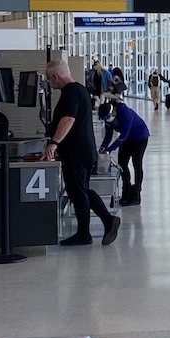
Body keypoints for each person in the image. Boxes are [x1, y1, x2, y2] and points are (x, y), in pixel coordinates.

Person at [41, 59, 120, 246]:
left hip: (76, 152)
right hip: (84, 150)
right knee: (81, 190)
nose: (50, 82)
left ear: (55, 76)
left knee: (78, 192)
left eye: (49, 78)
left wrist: (53, 143)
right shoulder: (81, 90)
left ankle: (85, 233)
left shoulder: (70, 92)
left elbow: (68, 119)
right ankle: (108, 220)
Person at [98, 99, 151, 206]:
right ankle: (126, 191)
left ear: (113, 112)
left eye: (108, 118)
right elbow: (108, 135)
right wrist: (103, 147)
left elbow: (123, 136)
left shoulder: (125, 113)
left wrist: (109, 149)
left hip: (140, 137)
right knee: (122, 164)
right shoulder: (108, 119)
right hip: (128, 139)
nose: (108, 120)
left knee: (137, 163)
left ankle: (136, 193)